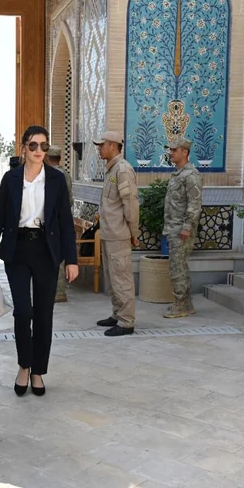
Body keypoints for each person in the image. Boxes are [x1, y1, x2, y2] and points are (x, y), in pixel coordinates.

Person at [0, 126, 78, 397]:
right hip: (18, 250)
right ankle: (24, 365)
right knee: (23, 311)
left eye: (44, 146)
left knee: (44, 313)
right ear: (23, 147)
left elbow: (65, 223)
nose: (39, 151)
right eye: (33, 145)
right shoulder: (10, 179)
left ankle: (38, 371)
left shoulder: (56, 180)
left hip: (47, 252)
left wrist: (71, 259)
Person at [93, 130, 140, 336]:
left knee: (122, 278)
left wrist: (134, 232)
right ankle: (117, 314)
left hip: (120, 234)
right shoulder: (111, 169)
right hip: (109, 233)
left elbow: (130, 204)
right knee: (112, 277)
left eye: (101, 145)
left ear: (113, 145)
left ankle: (126, 321)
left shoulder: (123, 169)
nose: (99, 149)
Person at [164, 137, 203, 318]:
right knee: (179, 266)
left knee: (177, 268)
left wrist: (187, 227)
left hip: (181, 230)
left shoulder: (191, 175)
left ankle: (181, 305)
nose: (170, 152)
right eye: (170, 150)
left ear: (185, 152)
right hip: (173, 228)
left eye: (174, 150)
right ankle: (185, 304)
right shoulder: (178, 174)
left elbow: (194, 204)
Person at [45, 144, 74, 302]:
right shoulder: (66, 174)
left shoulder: (52, 175)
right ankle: (59, 291)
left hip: (53, 221)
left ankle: (57, 292)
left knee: (54, 256)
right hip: (63, 219)